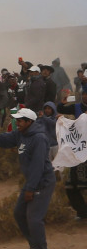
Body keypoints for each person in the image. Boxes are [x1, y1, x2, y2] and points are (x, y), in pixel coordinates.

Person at [0, 108, 54, 249]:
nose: (17, 123)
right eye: (16, 120)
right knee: (19, 213)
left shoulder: (39, 138)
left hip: (43, 181)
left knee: (34, 217)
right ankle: (34, 245)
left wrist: (30, 189)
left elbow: (38, 166)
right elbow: (2, 139)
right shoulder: (20, 134)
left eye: (20, 121)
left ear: (29, 122)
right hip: (32, 180)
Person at [56, 90, 87, 220]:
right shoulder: (78, 107)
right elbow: (61, 109)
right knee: (71, 185)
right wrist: (61, 105)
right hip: (79, 151)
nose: (86, 96)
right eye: (85, 94)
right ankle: (82, 212)